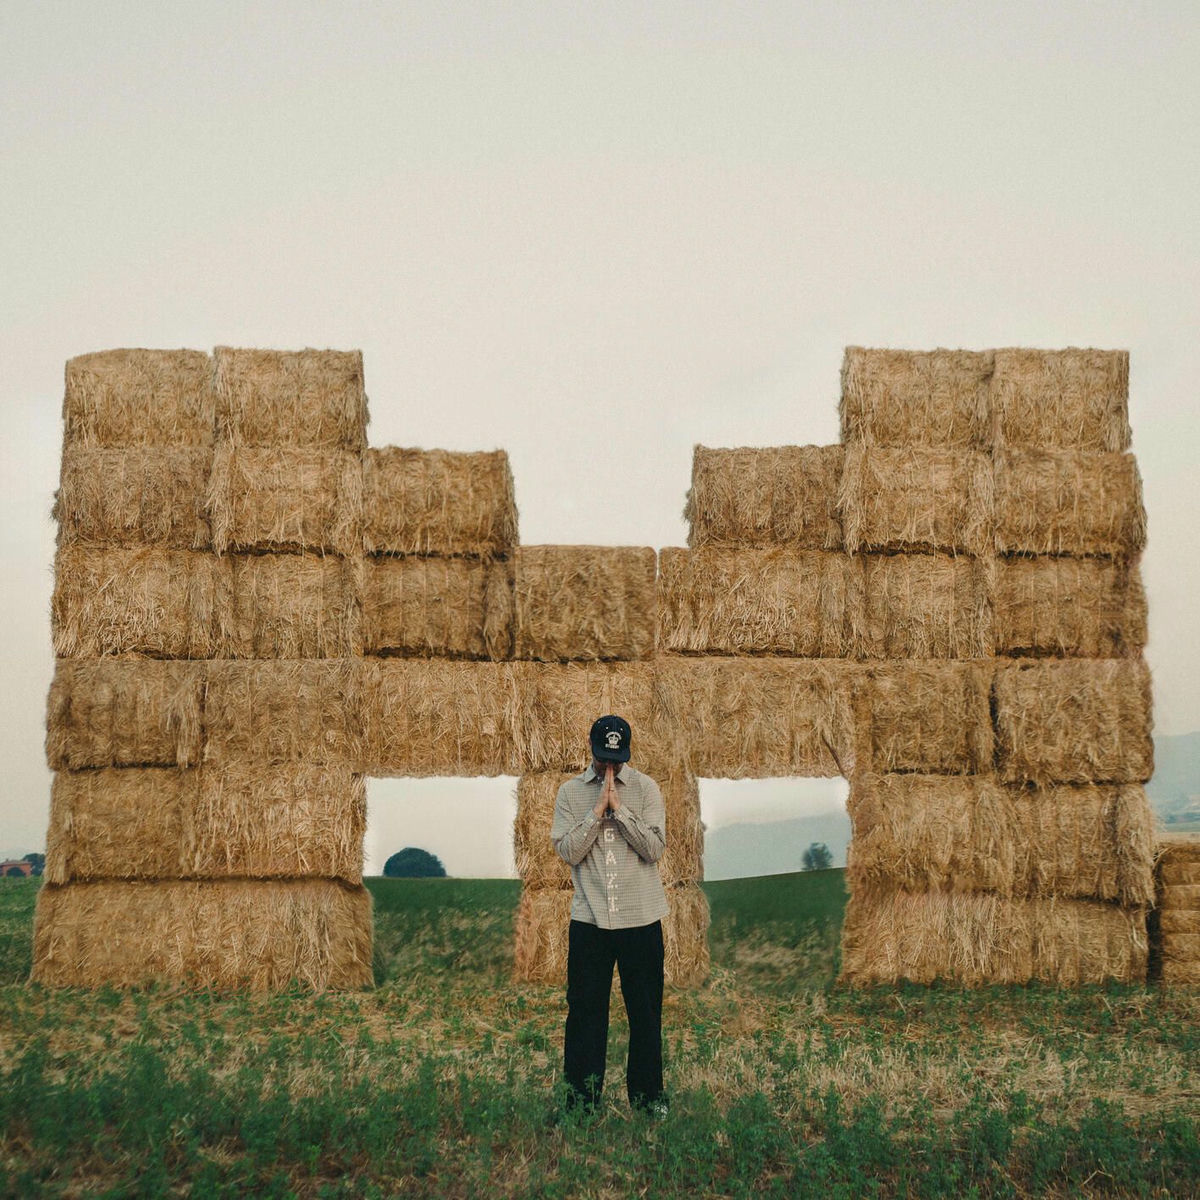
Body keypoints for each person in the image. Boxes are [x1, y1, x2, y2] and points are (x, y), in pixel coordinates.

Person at [550, 714, 669, 1116]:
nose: (610, 768)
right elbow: (568, 851)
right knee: (585, 1015)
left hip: (642, 920)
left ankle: (648, 1101)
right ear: (592, 752)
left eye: (616, 761)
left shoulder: (647, 789)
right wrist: (597, 810)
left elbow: (654, 849)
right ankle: (581, 1104)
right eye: (603, 760)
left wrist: (621, 810)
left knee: (646, 1014)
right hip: (591, 923)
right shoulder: (569, 793)